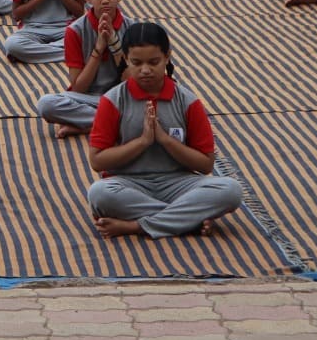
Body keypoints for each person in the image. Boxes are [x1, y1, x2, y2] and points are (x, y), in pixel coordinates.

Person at [86, 22, 243, 239]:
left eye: (153, 62)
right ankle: (189, 220)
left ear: (167, 57)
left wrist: (166, 140)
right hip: (130, 183)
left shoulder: (187, 101)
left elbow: (206, 164)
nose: (145, 70)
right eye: (136, 63)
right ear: (125, 59)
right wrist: (142, 142)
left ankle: (137, 226)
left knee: (231, 190)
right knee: (99, 194)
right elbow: (97, 161)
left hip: (178, 183)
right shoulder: (113, 100)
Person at [35, 0, 133, 138]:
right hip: (89, 99)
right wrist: (99, 48)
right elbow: (78, 88)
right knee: (46, 104)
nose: (105, 1)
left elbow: (132, 82)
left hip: (122, 97)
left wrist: (114, 43)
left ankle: (88, 125)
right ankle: (116, 123)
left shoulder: (132, 28)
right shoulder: (75, 31)